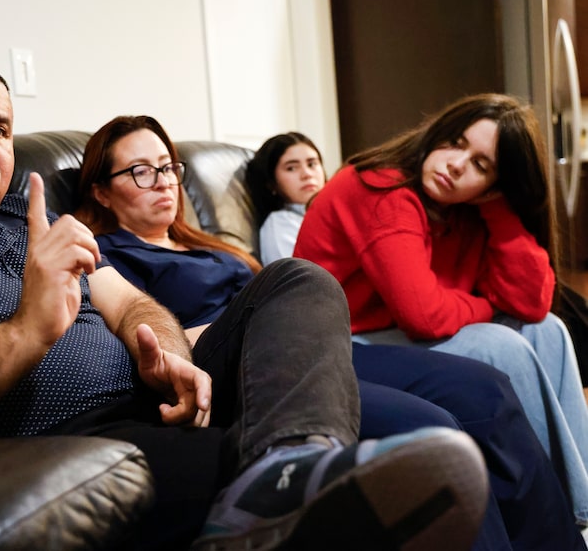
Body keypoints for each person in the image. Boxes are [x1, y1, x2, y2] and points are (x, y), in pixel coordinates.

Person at [0, 55, 490, 551]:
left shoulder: (31, 224)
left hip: (161, 401)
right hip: (73, 442)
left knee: (298, 282)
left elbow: (129, 304)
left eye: (0, 129)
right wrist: (27, 331)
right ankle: (283, 490)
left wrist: (162, 347)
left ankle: (291, 464)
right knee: (389, 487)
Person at [74, 113, 588, 550]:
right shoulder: (111, 257)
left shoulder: (217, 247)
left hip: (307, 339)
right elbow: (137, 334)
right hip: (240, 363)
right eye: (141, 171)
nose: (164, 181)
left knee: (485, 391)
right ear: (101, 190)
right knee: (435, 423)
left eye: (168, 167)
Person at [292, 93, 588, 526]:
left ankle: (579, 506)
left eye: (481, 166)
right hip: (337, 342)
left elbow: (532, 302)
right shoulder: (380, 187)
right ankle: (554, 514)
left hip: (392, 335)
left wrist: (499, 207)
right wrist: (486, 305)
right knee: (503, 345)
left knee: (549, 331)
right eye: (455, 142)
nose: (455, 163)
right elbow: (422, 314)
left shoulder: (466, 211)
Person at [244, 131, 326, 266]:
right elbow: (299, 282)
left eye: (312, 164)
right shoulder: (279, 224)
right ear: (271, 183)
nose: (307, 174)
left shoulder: (333, 213)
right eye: (291, 168)